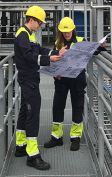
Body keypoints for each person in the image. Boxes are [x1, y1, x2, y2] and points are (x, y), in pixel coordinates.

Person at [14, 6, 67, 170]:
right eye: (40, 22)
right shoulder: (23, 35)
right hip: (29, 80)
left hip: (29, 79)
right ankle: (32, 155)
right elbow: (29, 56)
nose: (41, 25)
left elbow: (38, 50)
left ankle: (21, 146)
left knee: (24, 111)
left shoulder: (28, 34)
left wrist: (57, 52)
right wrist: (49, 59)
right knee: (33, 116)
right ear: (32, 20)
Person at [44, 17, 106, 151]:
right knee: (57, 107)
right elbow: (55, 60)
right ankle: (56, 137)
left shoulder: (81, 41)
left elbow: (92, 52)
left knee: (77, 107)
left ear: (73, 30)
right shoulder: (57, 43)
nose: (67, 34)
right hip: (61, 80)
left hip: (77, 79)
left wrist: (100, 47)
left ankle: (75, 138)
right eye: (64, 31)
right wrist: (55, 72)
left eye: (69, 31)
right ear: (60, 32)